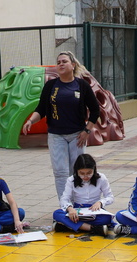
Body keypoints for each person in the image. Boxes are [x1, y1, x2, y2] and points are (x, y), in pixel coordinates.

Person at [22, 51, 101, 199]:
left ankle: (78, 202)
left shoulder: (82, 85)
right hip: (56, 135)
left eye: (64, 61)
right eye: (58, 62)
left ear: (73, 65)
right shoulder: (51, 85)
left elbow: (95, 110)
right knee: (60, 172)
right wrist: (30, 121)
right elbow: (41, 109)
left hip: (77, 135)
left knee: (77, 171)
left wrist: (87, 131)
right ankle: (65, 205)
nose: (61, 64)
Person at [52, 154, 113, 236]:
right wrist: (70, 209)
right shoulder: (71, 180)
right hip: (78, 210)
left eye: (89, 173)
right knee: (57, 213)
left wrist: (100, 202)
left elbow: (110, 197)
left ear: (94, 169)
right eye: (82, 173)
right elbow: (64, 198)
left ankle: (68, 226)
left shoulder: (101, 178)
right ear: (76, 171)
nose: (85, 176)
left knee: (107, 218)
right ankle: (93, 228)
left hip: (94, 210)